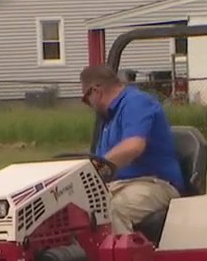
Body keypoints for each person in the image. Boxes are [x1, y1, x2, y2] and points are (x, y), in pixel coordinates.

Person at [79, 64, 185, 235]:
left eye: (85, 99)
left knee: (113, 209)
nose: (88, 105)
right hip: (120, 185)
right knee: (74, 209)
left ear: (96, 91)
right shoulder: (108, 118)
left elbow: (133, 146)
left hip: (155, 183)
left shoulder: (136, 103)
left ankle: (121, 259)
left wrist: (95, 169)